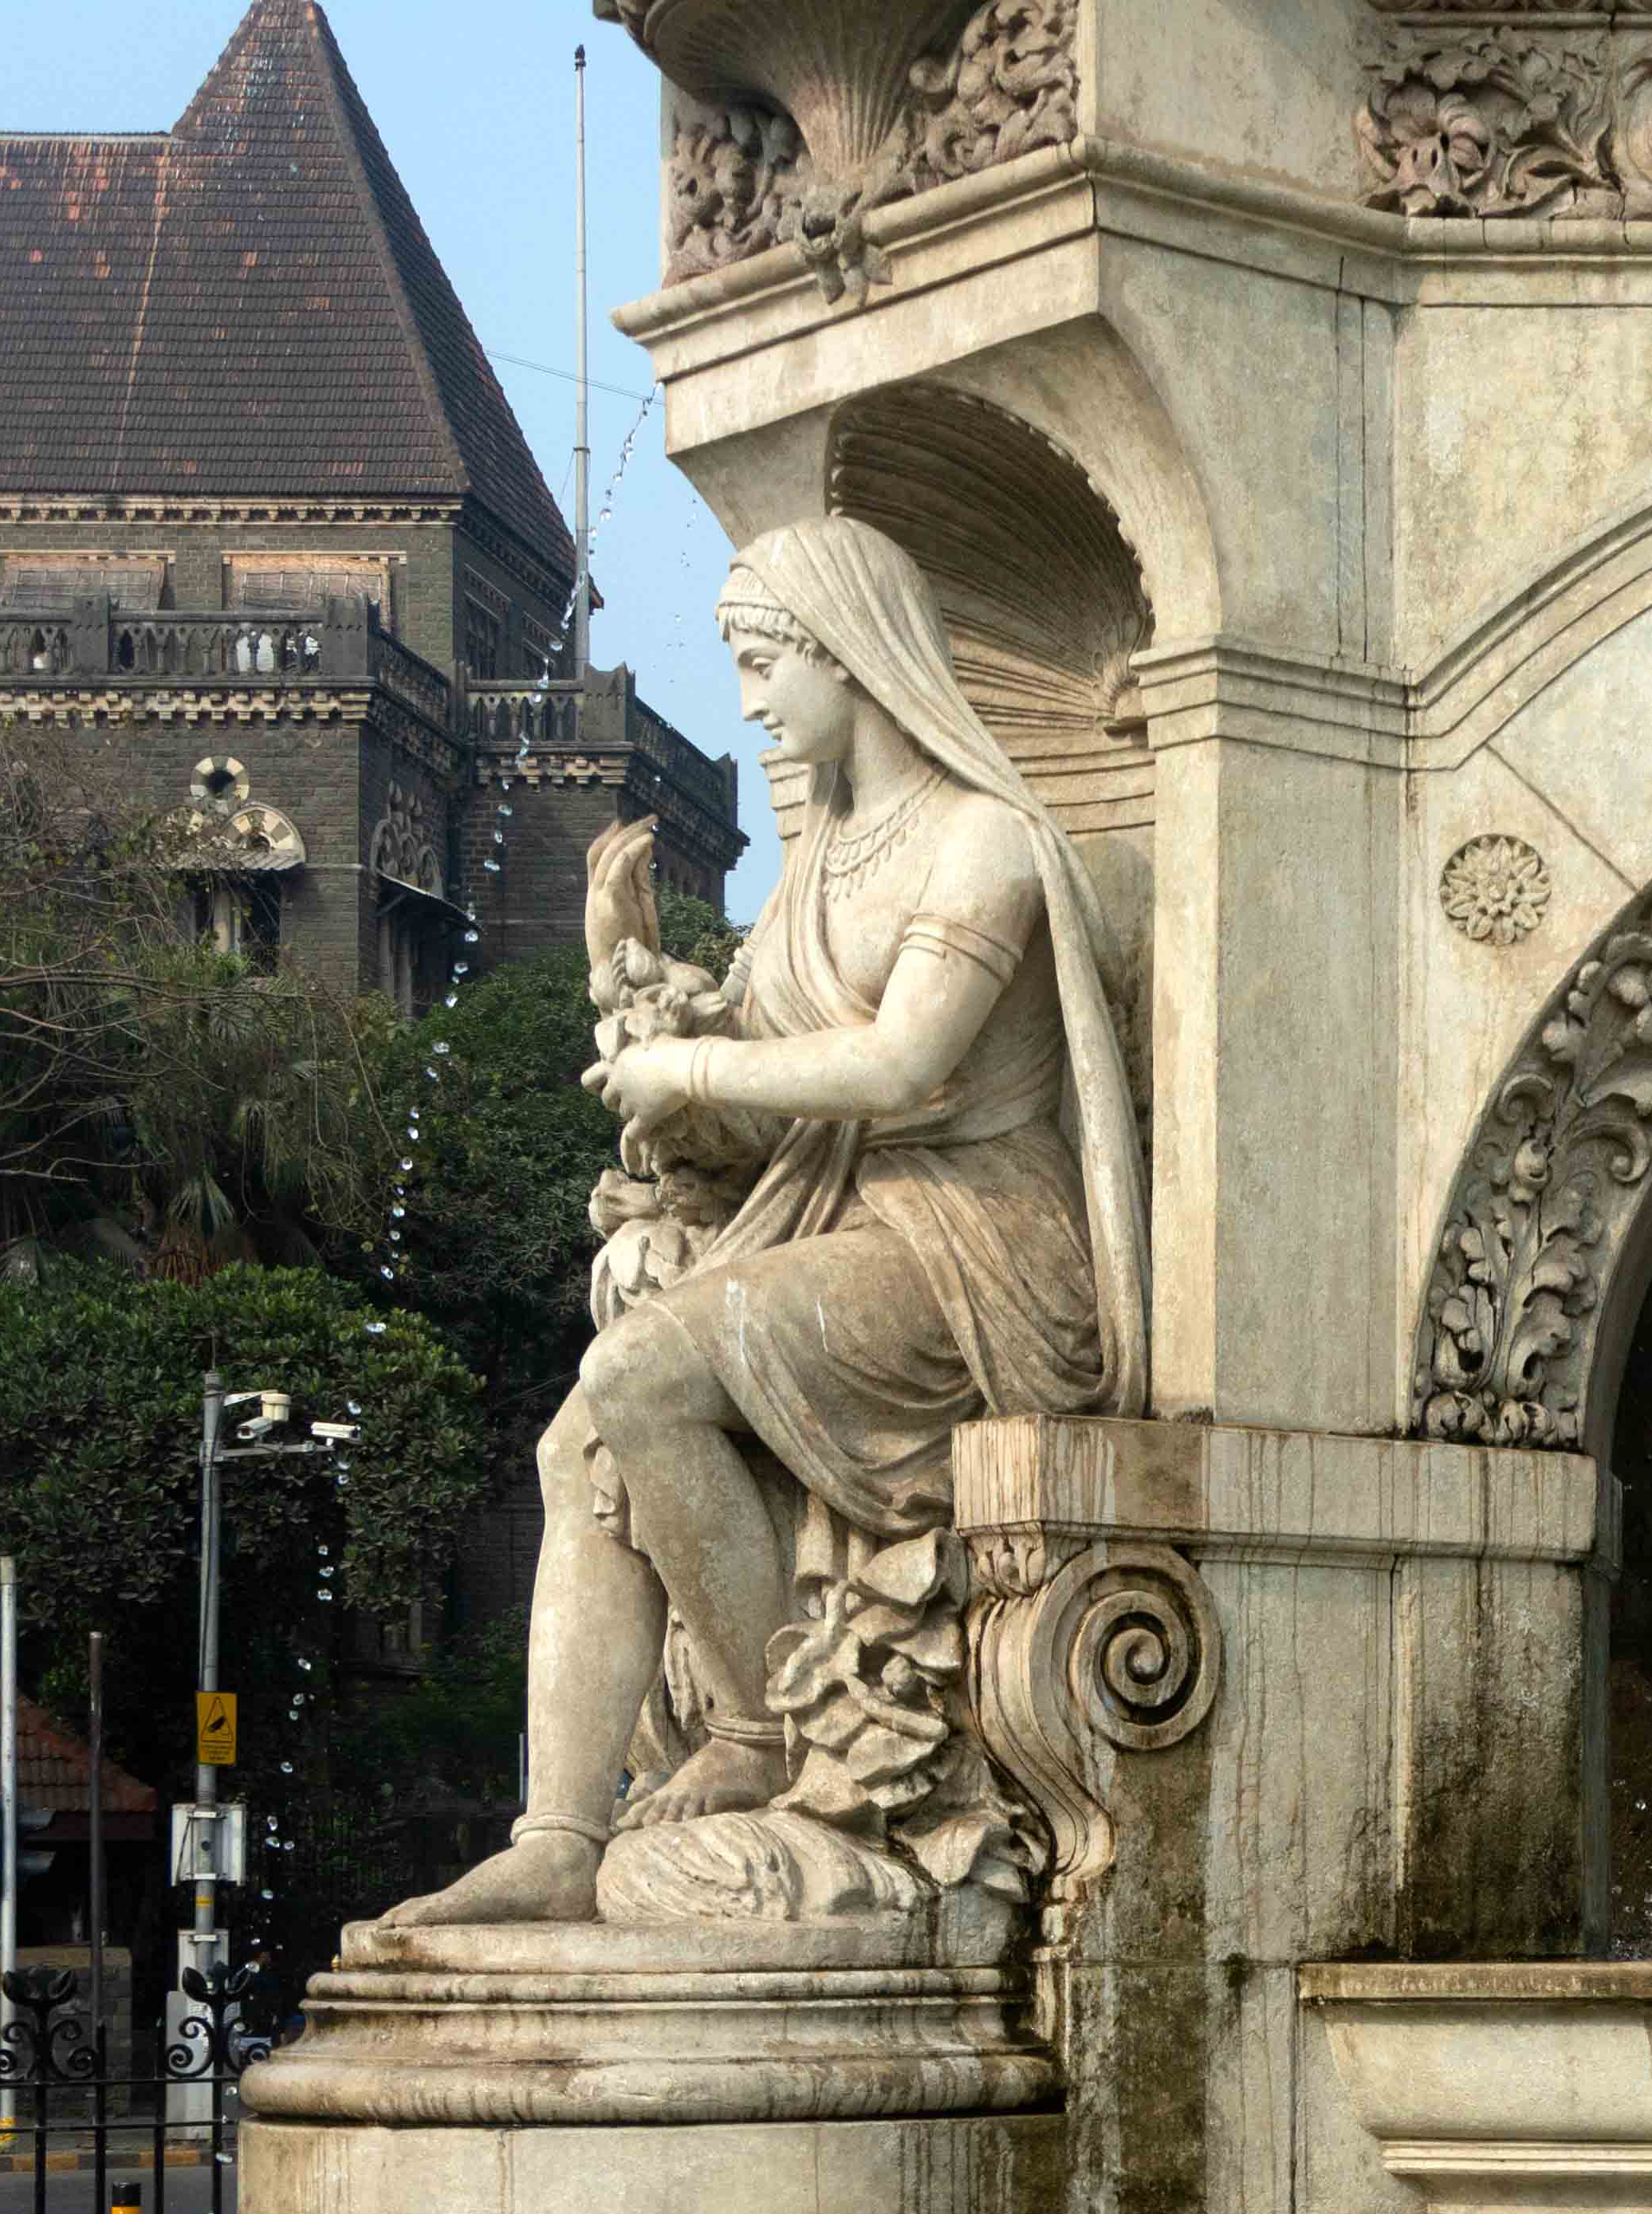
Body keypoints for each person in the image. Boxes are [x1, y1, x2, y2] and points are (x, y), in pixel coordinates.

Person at [389, 515, 1146, 1925]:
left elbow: (902, 1069)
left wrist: (691, 1069)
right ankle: (558, 1834)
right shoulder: (822, 864)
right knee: (576, 1441)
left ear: (847, 653)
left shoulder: (983, 841)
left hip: (977, 1248)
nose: (748, 701)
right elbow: (773, 1116)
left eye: (763, 662)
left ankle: (768, 1731)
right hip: (840, 1220)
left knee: (639, 1372)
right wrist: (629, 983)